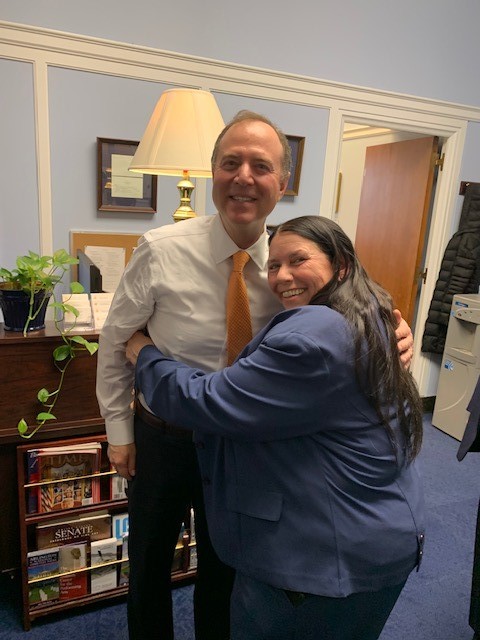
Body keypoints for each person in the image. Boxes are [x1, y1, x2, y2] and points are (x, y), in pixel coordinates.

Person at [96, 110, 414, 640]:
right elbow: (115, 342)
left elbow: (354, 305)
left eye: (260, 166)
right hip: (164, 438)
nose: (244, 176)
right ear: (211, 174)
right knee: (149, 565)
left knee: (230, 564)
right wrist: (118, 433)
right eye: (230, 163)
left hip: (249, 445)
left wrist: (396, 328)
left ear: (282, 184)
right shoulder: (161, 249)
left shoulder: (294, 260)